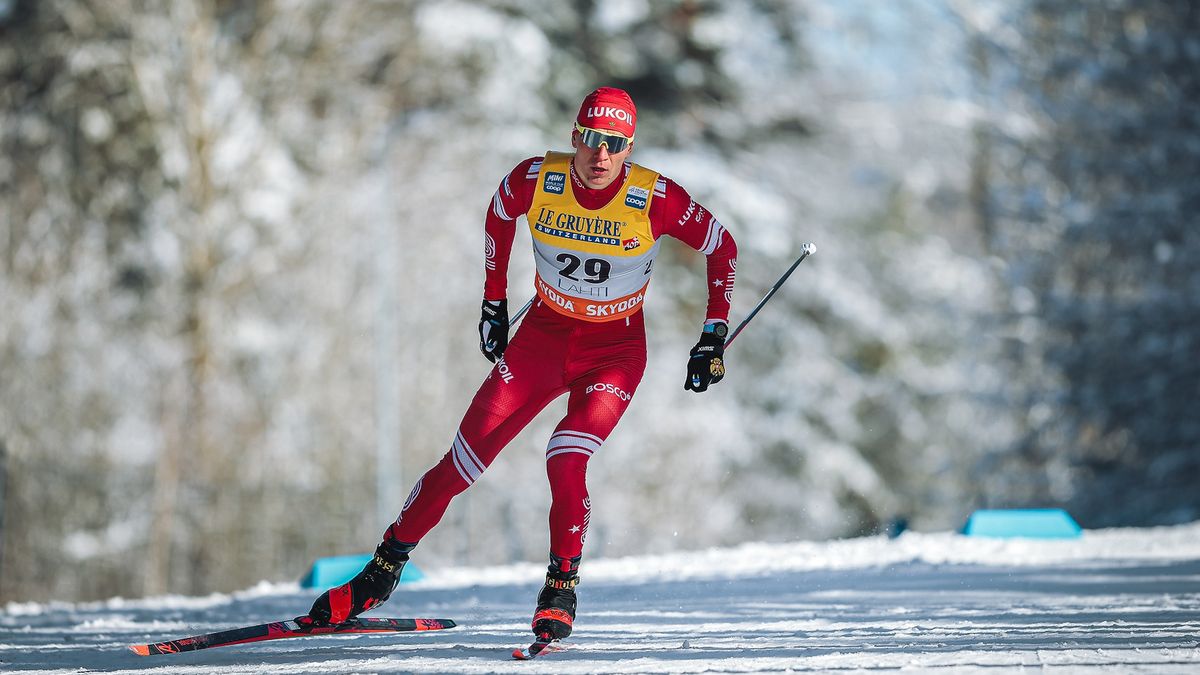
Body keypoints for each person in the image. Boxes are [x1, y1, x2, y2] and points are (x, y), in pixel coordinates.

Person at [299, 87, 739, 643]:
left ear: (629, 148)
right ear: (574, 136)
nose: (600, 156)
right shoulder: (538, 178)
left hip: (615, 352)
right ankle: (378, 574)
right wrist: (493, 301)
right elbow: (498, 215)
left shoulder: (656, 197)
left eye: (615, 145)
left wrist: (712, 333)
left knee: (565, 455)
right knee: (459, 463)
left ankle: (560, 588)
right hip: (543, 340)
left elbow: (722, 246)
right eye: (590, 140)